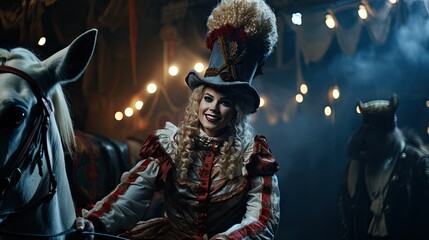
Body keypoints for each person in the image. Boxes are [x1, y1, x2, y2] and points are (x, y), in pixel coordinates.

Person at [74, 0, 280, 239]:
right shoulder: (171, 144)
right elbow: (131, 195)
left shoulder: (253, 156)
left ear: (237, 111)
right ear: (198, 101)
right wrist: (95, 223)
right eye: (208, 98)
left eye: (225, 102)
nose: (213, 108)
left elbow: (262, 219)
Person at [338, 95, 429, 240]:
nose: (366, 138)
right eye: (365, 131)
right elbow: (348, 219)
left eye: (373, 131)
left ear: (387, 134)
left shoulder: (417, 164)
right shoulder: (355, 168)